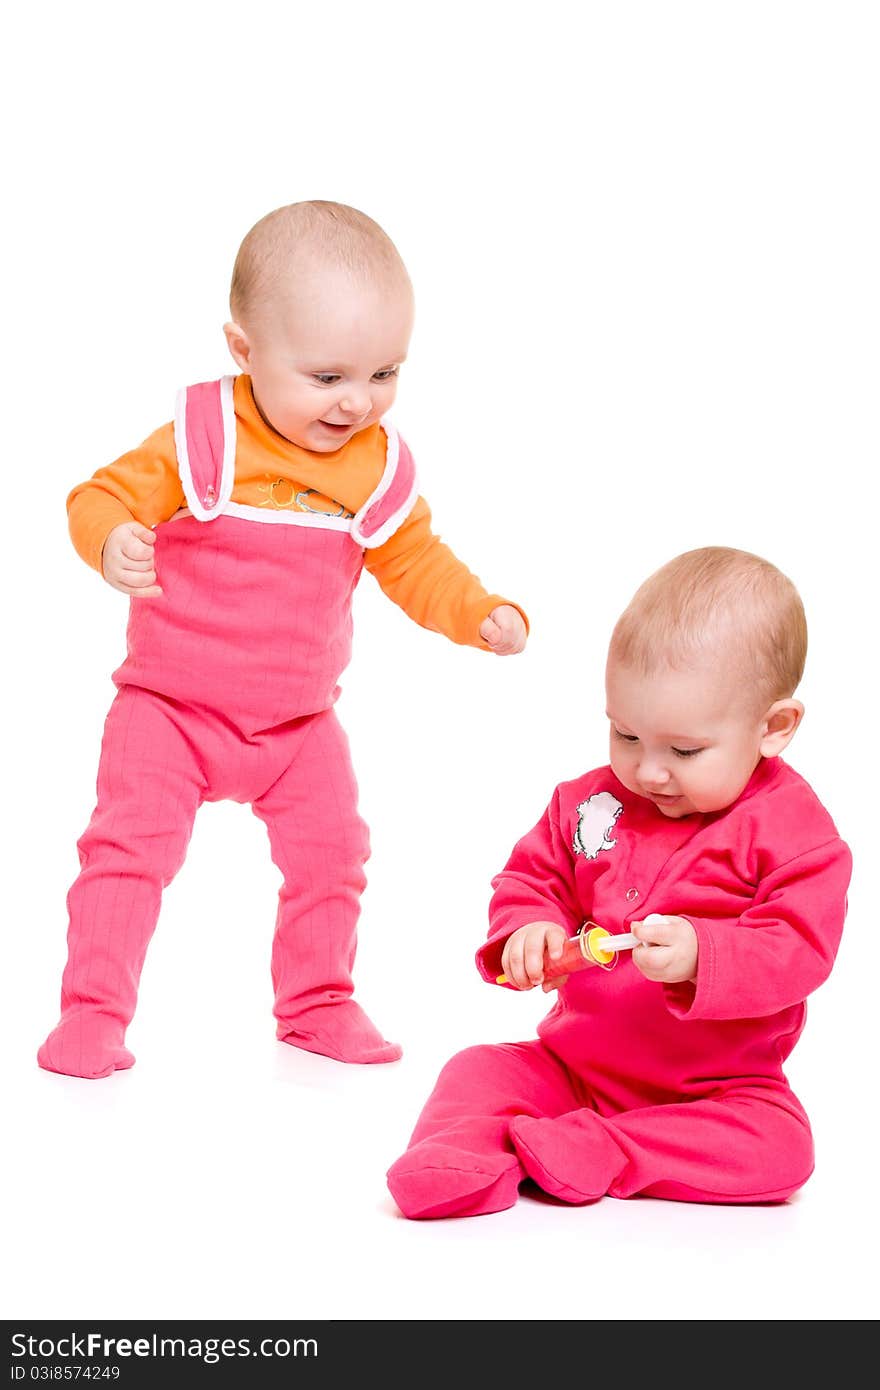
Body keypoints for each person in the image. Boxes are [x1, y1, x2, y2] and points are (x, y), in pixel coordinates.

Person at [38, 200, 528, 1080]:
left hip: (299, 727)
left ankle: (318, 1002)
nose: (358, 401)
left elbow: (415, 561)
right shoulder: (202, 438)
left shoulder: (376, 466)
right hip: (168, 712)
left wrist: (475, 611)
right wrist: (111, 540)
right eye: (329, 375)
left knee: (336, 853)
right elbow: (96, 497)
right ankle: (92, 1014)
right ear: (244, 351)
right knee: (126, 853)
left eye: (385, 373)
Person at [386, 546, 851, 1218]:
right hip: (575, 1068)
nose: (648, 771)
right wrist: (530, 927)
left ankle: (603, 1149)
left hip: (716, 1090)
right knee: (477, 1068)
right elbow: (534, 874)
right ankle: (463, 1154)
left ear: (773, 728)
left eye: (684, 751)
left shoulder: (797, 834)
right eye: (625, 734)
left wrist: (703, 953)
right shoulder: (589, 805)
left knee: (781, 1150)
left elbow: (799, 948)